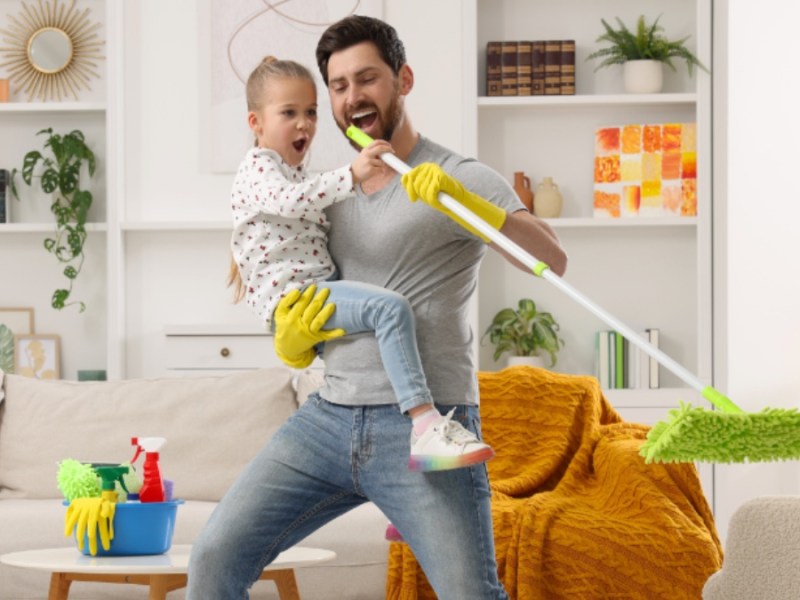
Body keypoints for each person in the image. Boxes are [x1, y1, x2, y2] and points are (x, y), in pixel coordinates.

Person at [187, 16, 567, 600]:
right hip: (329, 417)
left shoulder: (458, 176)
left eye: (366, 79)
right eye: (337, 86)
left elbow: (552, 259)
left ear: (403, 79)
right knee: (213, 560)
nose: (351, 97)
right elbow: (282, 268)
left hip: (427, 425)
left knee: (471, 593)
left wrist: (466, 204)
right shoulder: (327, 190)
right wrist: (291, 340)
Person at [228, 55, 494, 471]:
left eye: (311, 112)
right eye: (289, 113)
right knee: (389, 308)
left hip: (311, 294)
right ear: (256, 123)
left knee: (383, 312)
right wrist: (350, 175)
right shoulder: (259, 168)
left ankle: (398, 477)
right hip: (299, 298)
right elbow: (289, 202)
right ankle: (425, 424)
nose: (304, 124)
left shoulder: (295, 172)